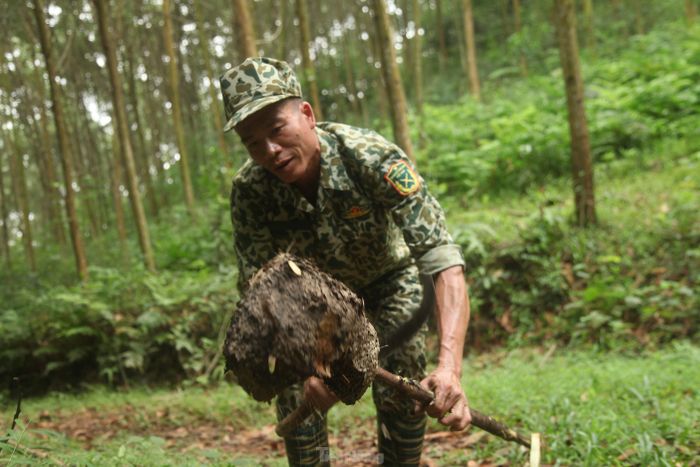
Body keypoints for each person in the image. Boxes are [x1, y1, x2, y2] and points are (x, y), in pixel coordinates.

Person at [220, 57, 471, 466]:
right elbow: (260, 297)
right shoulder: (250, 191)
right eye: (252, 141)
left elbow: (443, 260)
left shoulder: (370, 158)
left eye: (277, 129)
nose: (269, 149)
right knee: (292, 383)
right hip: (312, 312)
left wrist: (449, 370)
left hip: (390, 286)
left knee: (402, 367)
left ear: (307, 114)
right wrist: (310, 367)